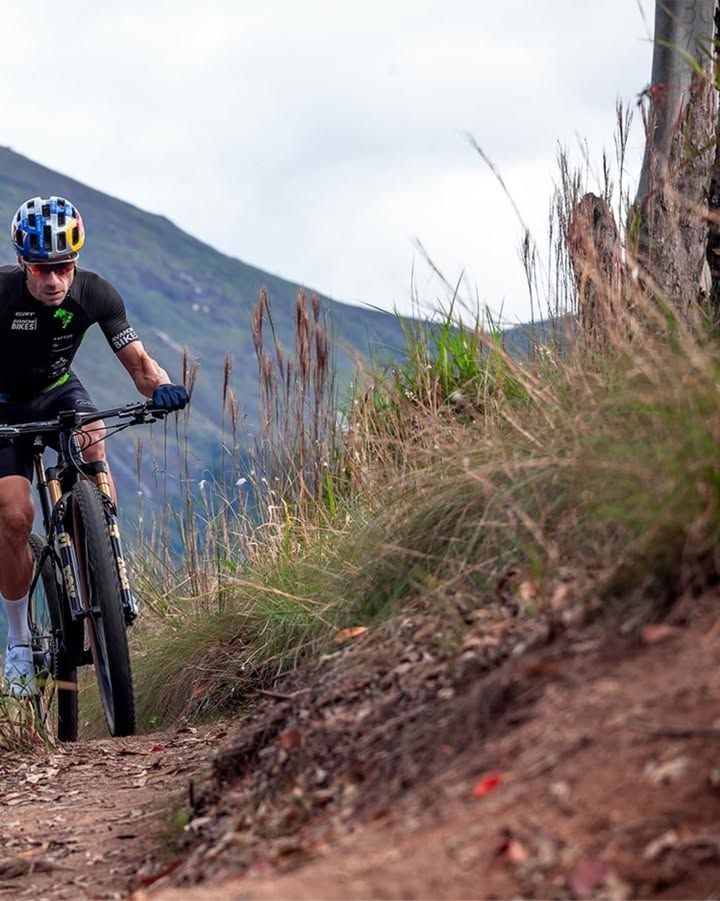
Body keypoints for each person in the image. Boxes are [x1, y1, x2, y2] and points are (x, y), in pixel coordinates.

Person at [0, 195, 189, 696]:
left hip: (58, 391)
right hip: (3, 408)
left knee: (91, 436)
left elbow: (142, 367)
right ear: (23, 262)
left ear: (75, 261)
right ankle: (19, 642)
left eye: (62, 267)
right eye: (41, 269)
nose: (53, 281)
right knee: (15, 518)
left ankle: (104, 553)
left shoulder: (96, 294)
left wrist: (162, 388)